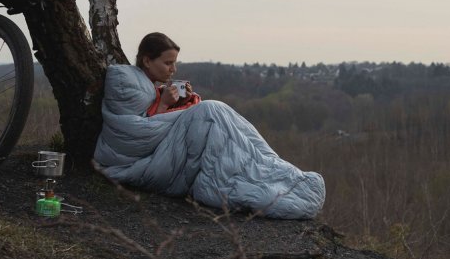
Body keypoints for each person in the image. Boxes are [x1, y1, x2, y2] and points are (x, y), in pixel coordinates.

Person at [93, 32, 325, 219]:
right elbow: (141, 137)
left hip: (169, 153)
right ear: (146, 60)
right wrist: (170, 106)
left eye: (175, 63)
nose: (173, 69)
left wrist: (186, 103)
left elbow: (167, 123)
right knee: (211, 111)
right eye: (167, 63)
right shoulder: (131, 88)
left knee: (218, 116)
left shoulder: (152, 87)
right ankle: (275, 185)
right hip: (155, 165)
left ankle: (281, 173)